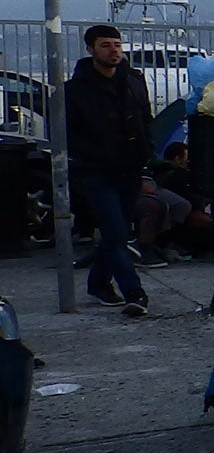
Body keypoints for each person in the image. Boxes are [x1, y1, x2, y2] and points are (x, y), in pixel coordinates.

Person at [65, 24, 153, 316]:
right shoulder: (75, 90)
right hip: (96, 172)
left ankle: (98, 282)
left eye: (117, 44)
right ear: (90, 49)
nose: (113, 50)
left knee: (116, 233)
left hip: (130, 169)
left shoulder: (134, 81)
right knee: (116, 234)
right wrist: (88, 156)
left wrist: (146, 153)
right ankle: (135, 293)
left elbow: (145, 119)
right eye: (105, 45)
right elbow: (69, 131)